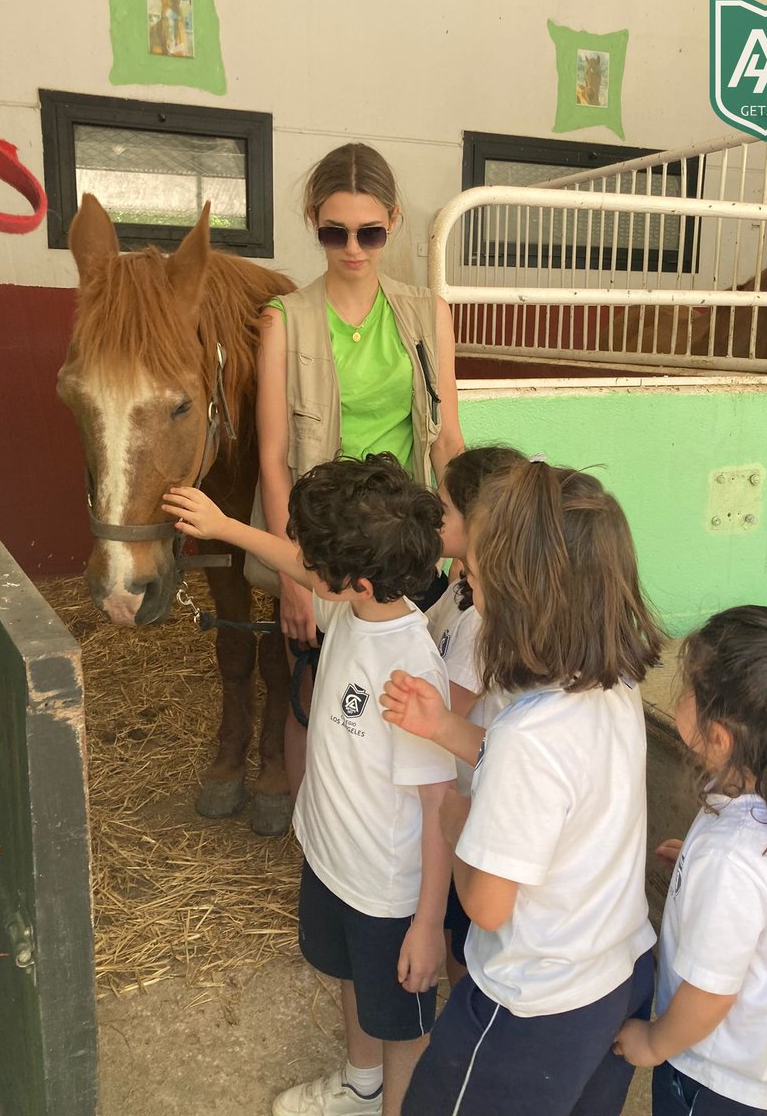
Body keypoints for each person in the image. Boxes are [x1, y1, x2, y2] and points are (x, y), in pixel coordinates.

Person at [163, 454, 457, 1116]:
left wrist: (428, 924)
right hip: (335, 864)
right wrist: (226, 527)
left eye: (311, 558)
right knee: (350, 978)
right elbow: (301, 566)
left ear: (351, 580)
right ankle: (361, 1085)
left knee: (402, 1027)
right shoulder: (354, 610)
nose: (298, 565)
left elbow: (439, 804)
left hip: (389, 896)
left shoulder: (409, 671)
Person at [380, 459, 664, 1116]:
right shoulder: (610, 684)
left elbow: (486, 905)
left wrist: (452, 819)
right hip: (619, 971)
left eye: (474, 581)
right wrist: (446, 726)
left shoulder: (528, 738)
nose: (465, 588)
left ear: (521, 596)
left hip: (530, 1006)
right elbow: (549, 790)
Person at [254, 142, 464, 796]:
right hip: (321, 540)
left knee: (401, 687)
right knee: (312, 685)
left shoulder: (427, 314)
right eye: (334, 231)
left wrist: (466, 534)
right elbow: (272, 455)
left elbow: (445, 436)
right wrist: (294, 572)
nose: (353, 248)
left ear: (394, 221)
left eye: (369, 232)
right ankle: (313, 839)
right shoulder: (284, 320)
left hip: (401, 537)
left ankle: (390, 835)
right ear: (314, 221)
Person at [613, 605, 767, 1116]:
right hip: (761, 1057)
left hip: (715, 1081)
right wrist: (695, 866)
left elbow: (709, 995)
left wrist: (654, 1042)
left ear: (720, 736)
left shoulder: (731, 859)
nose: (678, 692)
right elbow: (764, 901)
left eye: (687, 688)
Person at [424, 444, 525, 984]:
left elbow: (446, 714)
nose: (434, 517)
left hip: (465, 802)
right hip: (462, 797)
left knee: (468, 938)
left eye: (444, 508)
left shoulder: (477, 620)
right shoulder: (460, 591)